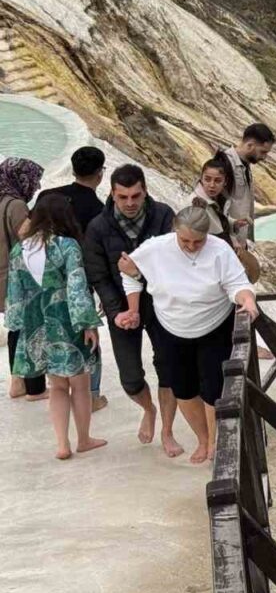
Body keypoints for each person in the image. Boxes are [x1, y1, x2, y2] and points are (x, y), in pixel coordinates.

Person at [118, 206, 258, 465]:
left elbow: (238, 284)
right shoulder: (155, 248)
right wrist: (133, 308)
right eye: (185, 241)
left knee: (214, 389)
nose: (192, 246)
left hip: (214, 326)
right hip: (171, 328)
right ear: (175, 231)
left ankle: (216, 445)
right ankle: (203, 439)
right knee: (183, 389)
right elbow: (129, 274)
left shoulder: (219, 249)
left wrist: (247, 300)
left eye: (198, 241)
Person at [83, 165, 181, 455]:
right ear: (111, 194)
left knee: (168, 369)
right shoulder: (98, 228)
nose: (129, 203)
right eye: (122, 197)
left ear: (145, 191)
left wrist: (142, 273)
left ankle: (167, 430)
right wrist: (117, 312)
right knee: (130, 376)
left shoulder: (163, 216)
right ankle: (147, 408)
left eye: (135, 196)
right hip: (121, 308)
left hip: (161, 303)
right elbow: (98, 275)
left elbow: (175, 261)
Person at [5, 193, 103, 459]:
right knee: (80, 384)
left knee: (57, 386)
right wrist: (88, 324)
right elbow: (76, 286)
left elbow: (13, 294)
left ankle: (62, 444)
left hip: (36, 324)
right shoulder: (67, 246)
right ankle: (83, 439)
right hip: (66, 320)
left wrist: (17, 327)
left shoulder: (19, 250)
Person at [42, 147, 108, 409]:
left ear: (73, 168)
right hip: (78, 280)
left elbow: (29, 232)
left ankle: (56, 388)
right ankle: (91, 395)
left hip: (44, 281)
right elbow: (97, 253)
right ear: (100, 173)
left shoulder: (49, 196)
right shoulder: (97, 209)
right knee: (87, 336)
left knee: (52, 334)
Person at [2, 157, 48, 401]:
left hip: (4, 276)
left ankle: (17, 381)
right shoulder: (17, 205)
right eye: (33, 179)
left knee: (16, 328)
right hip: (18, 278)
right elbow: (29, 243)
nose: (36, 185)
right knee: (29, 327)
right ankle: (33, 387)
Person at [191, 155, 261, 281]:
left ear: (225, 182)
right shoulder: (195, 204)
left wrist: (233, 223)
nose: (211, 185)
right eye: (207, 179)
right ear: (201, 179)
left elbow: (216, 221)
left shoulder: (212, 200)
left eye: (217, 181)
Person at [220, 122, 276, 244]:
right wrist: (232, 239)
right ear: (250, 145)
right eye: (263, 152)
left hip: (240, 242)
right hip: (229, 242)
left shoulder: (244, 165)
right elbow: (216, 207)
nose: (264, 157)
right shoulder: (224, 164)